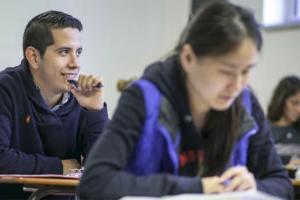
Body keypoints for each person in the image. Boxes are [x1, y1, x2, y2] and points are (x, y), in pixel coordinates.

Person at [79, 1, 293, 199]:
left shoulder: (244, 101)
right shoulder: (144, 97)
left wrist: (253, 186)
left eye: (246, 71)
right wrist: (199, 188)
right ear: (188, 58)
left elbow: (281, 184)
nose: (237, 85)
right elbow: (95, 183)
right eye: (226, 71)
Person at [0, 10, 108, 199]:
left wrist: (95, 112)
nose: (76, 64)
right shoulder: (5, 89)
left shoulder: (81, 96)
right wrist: (59, 167)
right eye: (64, 52)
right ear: (33, 57)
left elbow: (104, 168)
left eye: (78, 52)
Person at [267, 75, 300, 166]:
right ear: (281, 101)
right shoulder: (264, 130)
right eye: (294, 103)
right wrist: (286, 167)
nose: (299, 109)